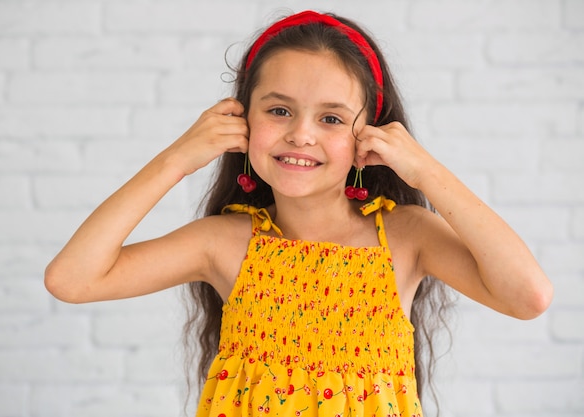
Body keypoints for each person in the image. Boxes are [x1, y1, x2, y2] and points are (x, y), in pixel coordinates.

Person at [45, 10, 553, 417]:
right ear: (242, 117)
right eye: (279, 110)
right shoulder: (222, 242)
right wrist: (175, 159)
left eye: (331, 118)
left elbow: (528, 296)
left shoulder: (405, 236)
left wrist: (428, 174)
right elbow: (72, 279)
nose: (301, 134)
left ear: (369, 135)